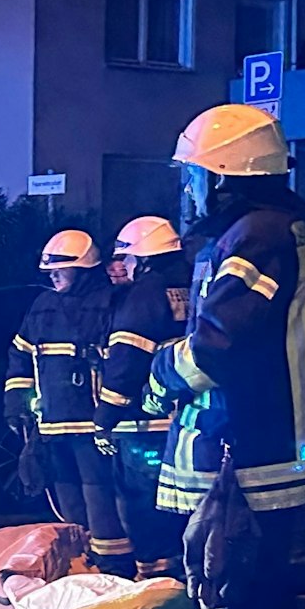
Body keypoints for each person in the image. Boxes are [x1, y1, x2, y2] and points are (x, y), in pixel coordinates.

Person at [142, 103, 305, 609]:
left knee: (237, 606)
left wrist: (160, 376)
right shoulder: (262, 232)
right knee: (253, 604)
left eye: (195, 175)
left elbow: (220, 340)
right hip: (255, 456)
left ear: (225, 177)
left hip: (247, 461)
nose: (187, 189)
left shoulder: (258, 237)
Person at [6, 231, 133, 577]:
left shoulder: (110, 302)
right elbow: (20, 354)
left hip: (93, 423)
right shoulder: (42, 306)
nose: (53, 276)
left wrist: (110, 411)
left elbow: (123, 361)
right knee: (66, 495)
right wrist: (16, 401)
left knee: (100, 496)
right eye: (50, 272)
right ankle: (79, 557)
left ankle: (114, 564)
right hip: (52, 424)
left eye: (60, 269)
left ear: (84, 268)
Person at [94, 216, 192, 579]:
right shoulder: (194, 284)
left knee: (142, 503)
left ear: (144, 258)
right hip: (190, 420)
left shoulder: (144, 295)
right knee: (183, 502)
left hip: (146, 420)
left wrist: (105, 417)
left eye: (129, 260)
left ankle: (153, 578)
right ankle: (185, 573)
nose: (126, 267)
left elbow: (127, 360)